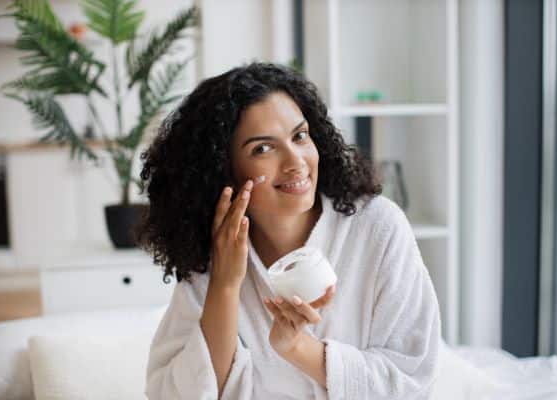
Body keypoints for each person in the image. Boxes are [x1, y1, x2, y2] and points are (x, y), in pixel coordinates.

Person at [135, 62, 441, 399]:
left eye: (300, 136)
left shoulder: (377, 228)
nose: (295, 161)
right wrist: (224, 285)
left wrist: (297, 347)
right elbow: (174, 395)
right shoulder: (214, 256)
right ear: (223, 169)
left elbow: (411, 381)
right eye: (262, 149)